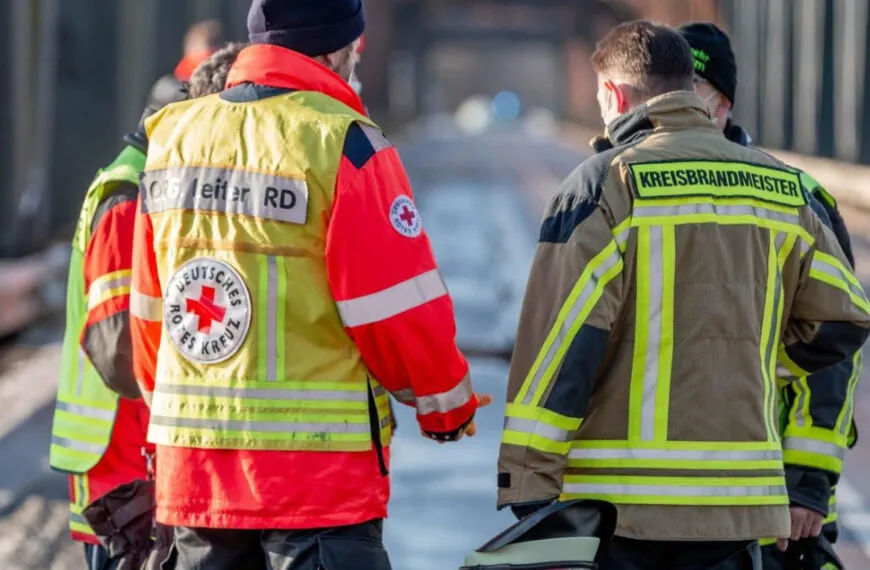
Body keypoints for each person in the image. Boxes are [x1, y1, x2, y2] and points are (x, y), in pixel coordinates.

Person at [496, 20, 870, 570]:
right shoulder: (782, 189)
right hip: (740, 510)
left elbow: (563, 343)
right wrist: (757, 357)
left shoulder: (608, 183)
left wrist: (529, 482)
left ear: (614, 95)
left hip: (620, 509)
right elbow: (845, 318)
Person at [129, 1, 488, 569]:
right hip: (318, 488)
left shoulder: (173, 137)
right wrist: (445, 404)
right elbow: (393, 308)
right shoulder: (344, 143)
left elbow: (150, 311)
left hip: (195, 480)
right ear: (337, 50)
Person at [679, 22, 861, 570]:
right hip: (659, 503)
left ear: (723, 105)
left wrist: (806, 483)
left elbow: (833, 346)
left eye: (693, 98)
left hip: (770, 500)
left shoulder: (795, 197)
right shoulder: (625, 188)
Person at [48, 80, 185, 569]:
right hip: (122, 462)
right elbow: (122, 348)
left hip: (126, 456)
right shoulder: (129, 198)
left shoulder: (134, 185)